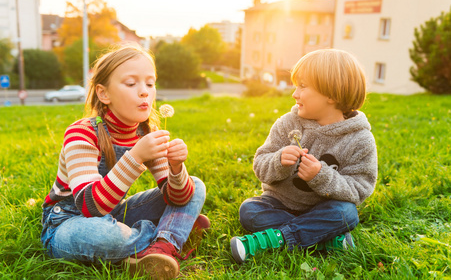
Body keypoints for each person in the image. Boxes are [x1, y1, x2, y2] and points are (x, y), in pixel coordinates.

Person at [40, 44, 208, 279]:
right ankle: (175, 232)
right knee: (104, 236)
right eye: (131, 84)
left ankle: (162, 247)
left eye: (150, 84)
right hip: (68, 222)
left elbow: (176, 198)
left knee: (195, 185)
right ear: (103, 93)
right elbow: (90, 206)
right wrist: (136, 156)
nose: (144, 92)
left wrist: (176, 168)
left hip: (114, 212)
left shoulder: (146, 132)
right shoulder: (82, 133)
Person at [230, 49, 378, 264]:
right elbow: (260, 165)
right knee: (249, 210)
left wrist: (321, 176)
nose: (294, 93)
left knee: (346, 214)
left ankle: (274, 239)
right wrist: (278, 160)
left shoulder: (359, 140)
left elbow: (360, 189)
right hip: (278, 204)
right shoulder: (286, 124)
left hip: (324, 209)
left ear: (332, 95)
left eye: (302, 86)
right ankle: (324, 238)